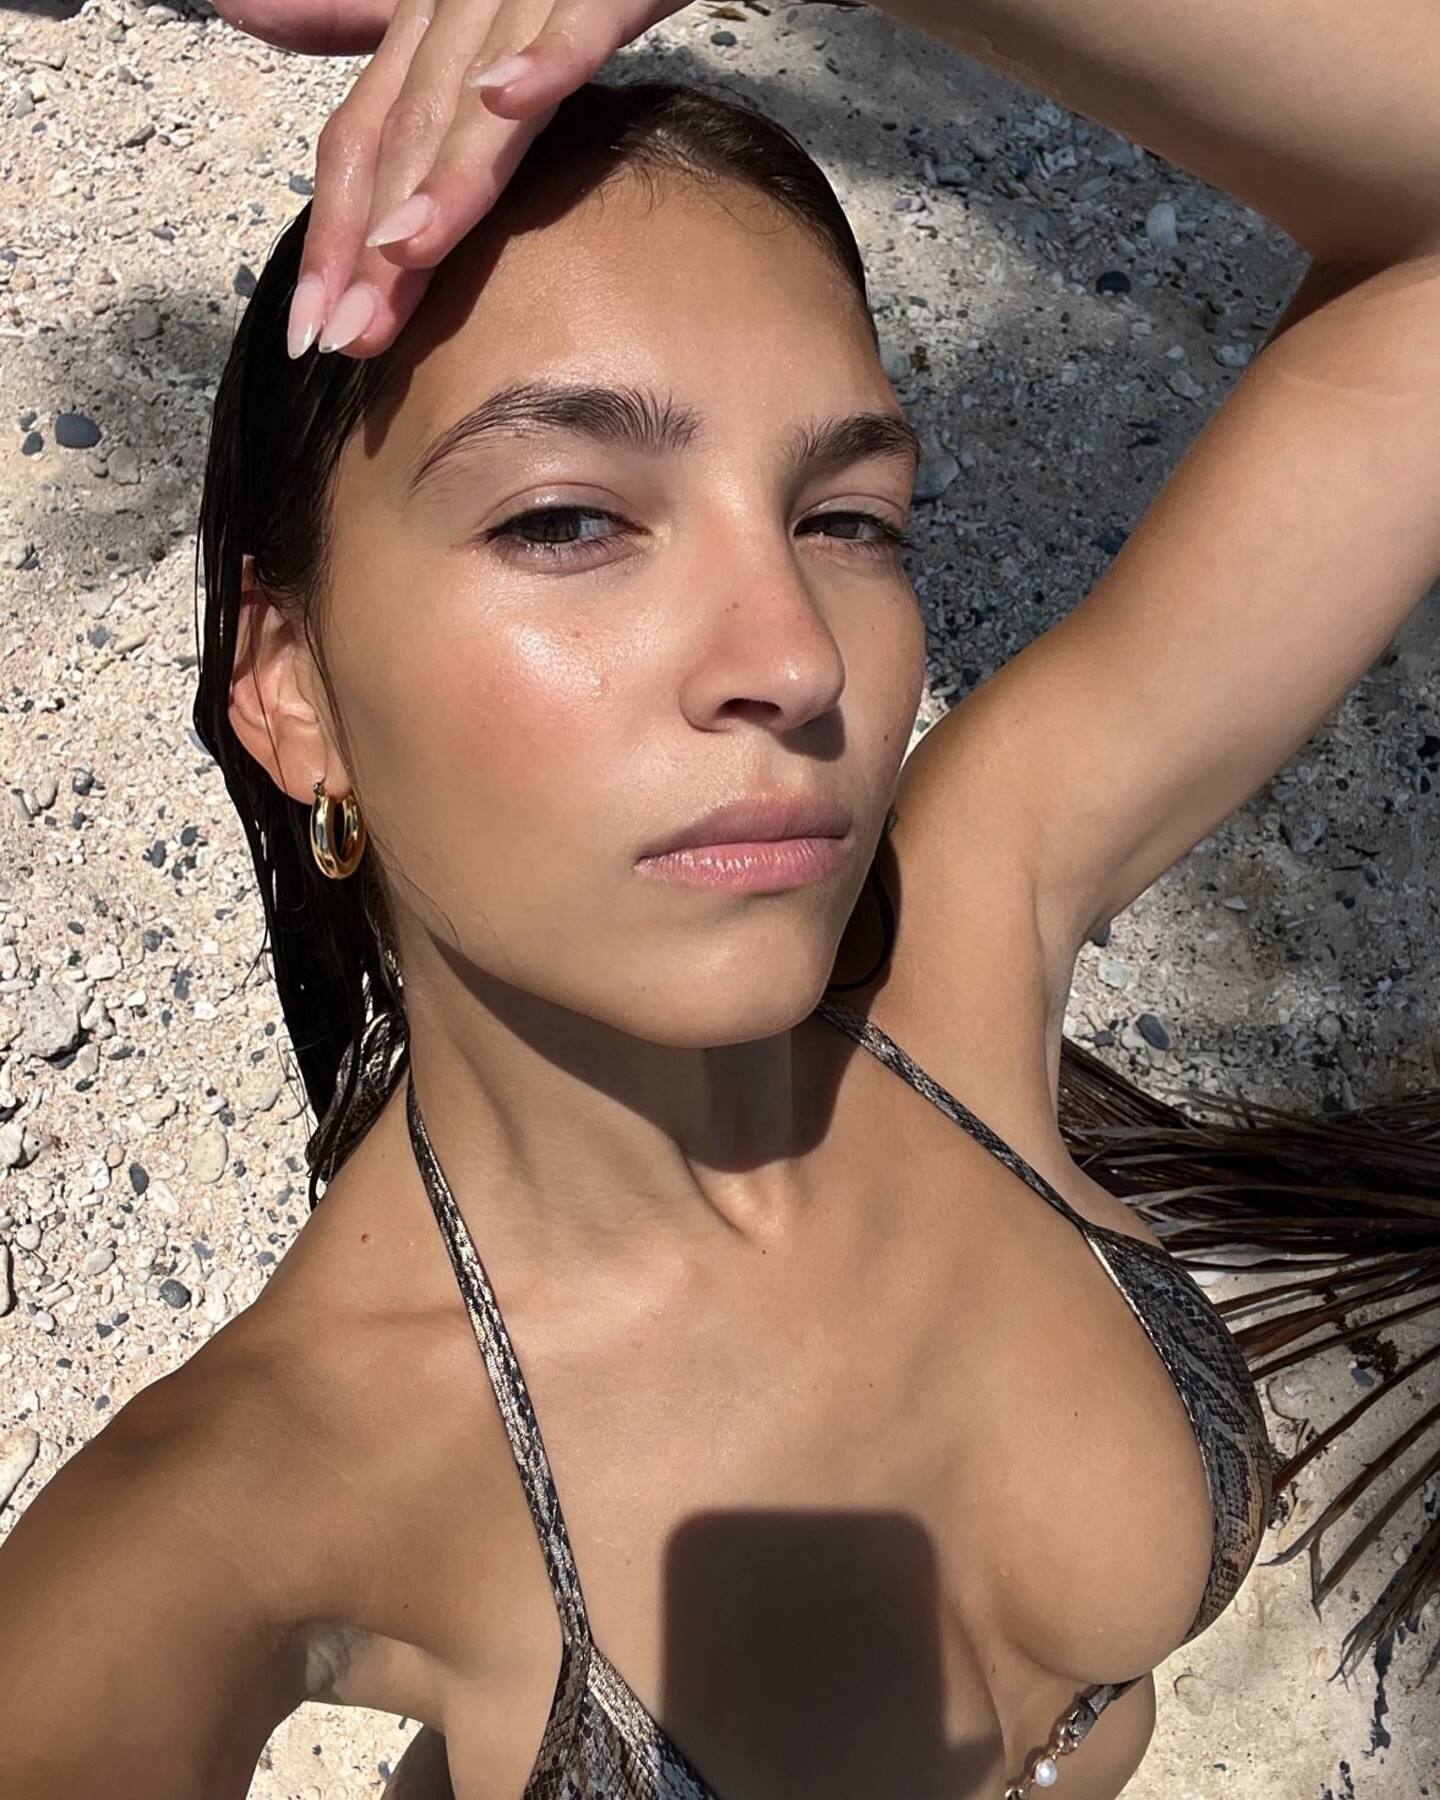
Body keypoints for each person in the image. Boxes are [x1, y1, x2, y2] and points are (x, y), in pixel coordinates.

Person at [2, 4, 1439, 1799]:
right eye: (566, 520)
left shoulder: (960, 936)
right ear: (291, 686)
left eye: (847, 519)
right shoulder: (252, 1504)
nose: (794, 657)